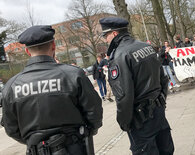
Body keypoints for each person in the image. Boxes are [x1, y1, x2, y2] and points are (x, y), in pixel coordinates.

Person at [0, 25, 103, 154]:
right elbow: (94, 111)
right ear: (53, 46)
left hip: (37, 149)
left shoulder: (11, 86)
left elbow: (11, 128)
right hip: (74, 147)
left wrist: (33, 140)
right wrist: (87, 132)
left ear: (27, 51)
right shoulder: (73, 75)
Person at [99, 17, 174, 154]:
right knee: (166, 149)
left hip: (141, 118)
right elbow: (163, 78)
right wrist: (161, 102)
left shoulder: (119, 55)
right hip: (158, 111)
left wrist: (124, 122)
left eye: (106, 35)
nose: (106, 39)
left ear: (114, 34)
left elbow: (123, 96)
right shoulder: (146, 47)